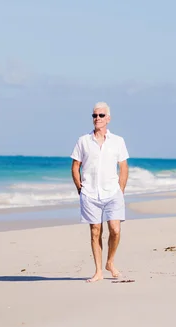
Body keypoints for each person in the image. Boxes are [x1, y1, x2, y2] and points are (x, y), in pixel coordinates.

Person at [70, 102, 129, 283]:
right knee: (95, 231)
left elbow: (124, 167)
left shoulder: (118, 141)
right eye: (95, 115)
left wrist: (121, 189)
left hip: (113, 193)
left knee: (115, 230)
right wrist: (80, 188)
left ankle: (110, 262)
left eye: (101, 115)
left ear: (108, 119)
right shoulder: (83, 141)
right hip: (90, 193)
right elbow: (75, 166)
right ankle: (98, 271)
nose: (97, 119)